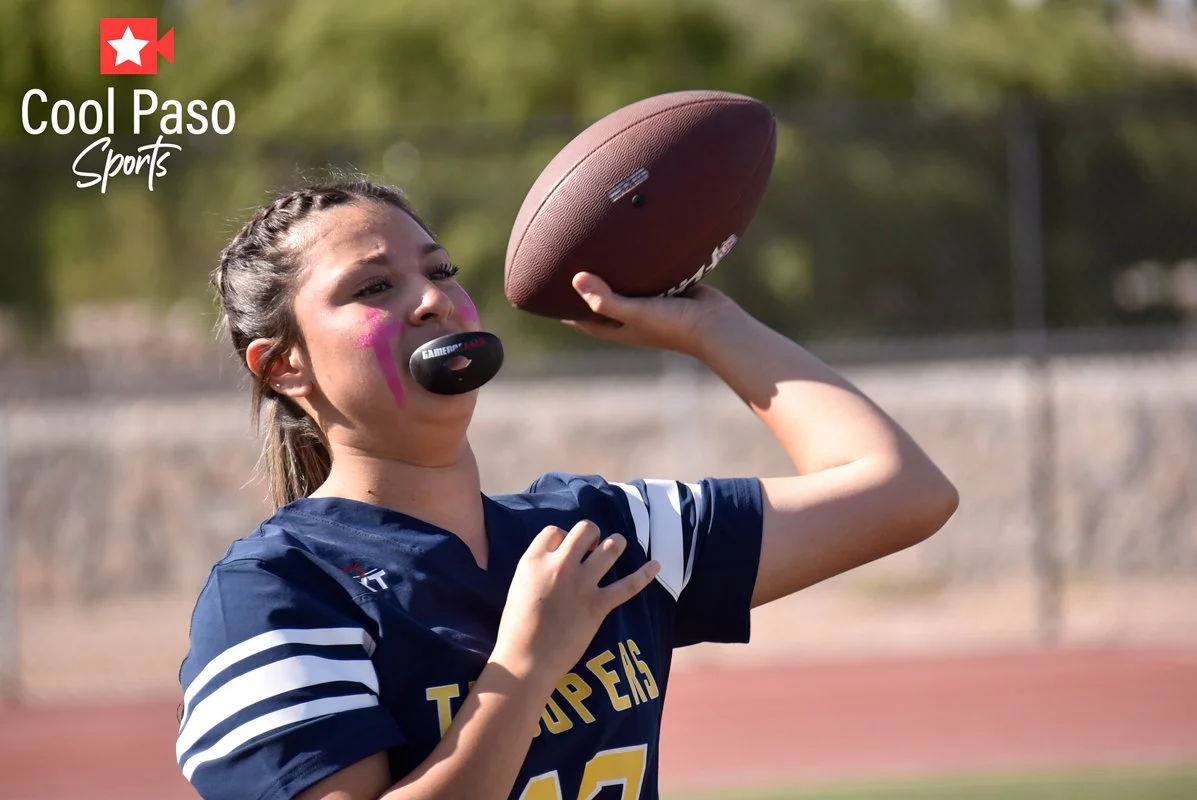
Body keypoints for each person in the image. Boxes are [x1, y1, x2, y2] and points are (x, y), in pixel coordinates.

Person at [176, 176, 958, 800]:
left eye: (440, 271)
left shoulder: (599, 534)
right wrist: (523, 665)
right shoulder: (277, 592)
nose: (433, 299)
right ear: (283, 366)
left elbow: (903, 492)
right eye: (372, 288)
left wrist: (707, 326)